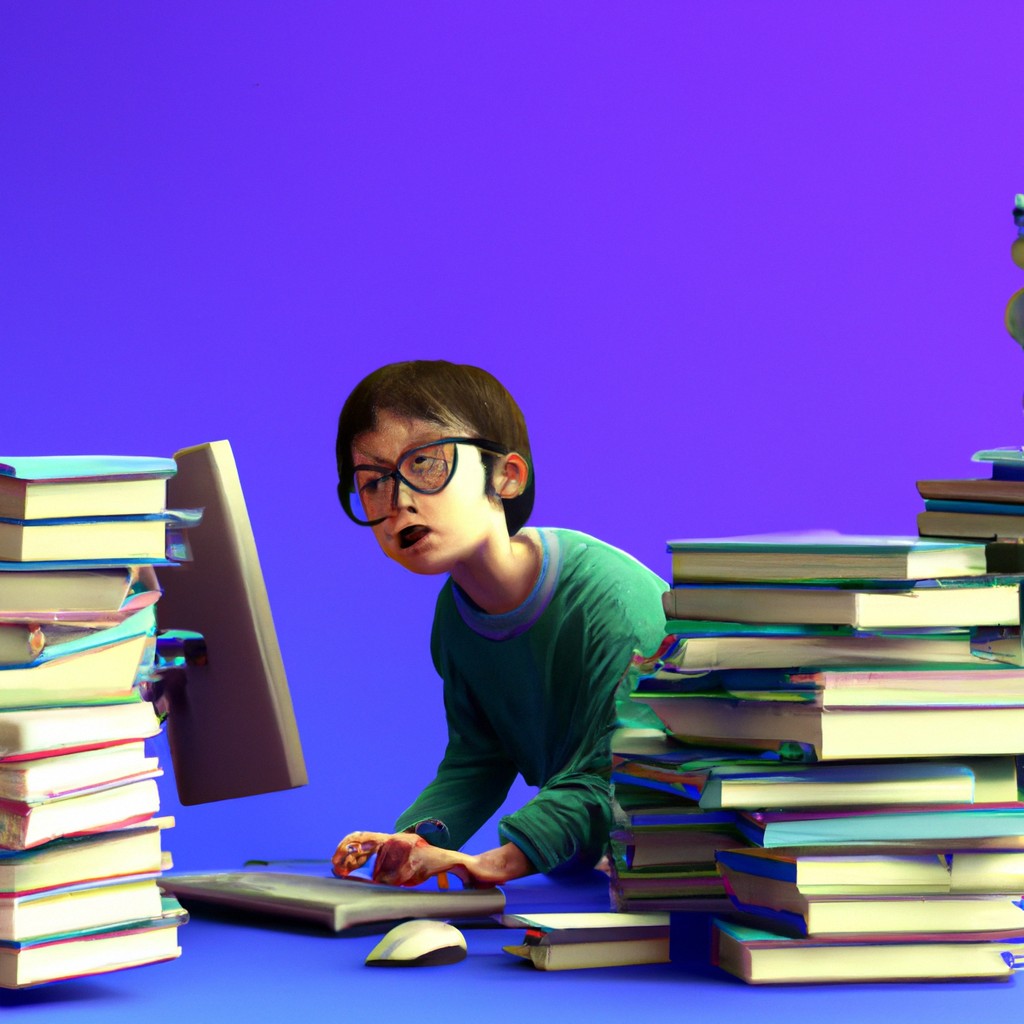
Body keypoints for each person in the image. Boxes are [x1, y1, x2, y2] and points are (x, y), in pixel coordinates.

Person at [331, 360, 667, 888]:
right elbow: (478, 760)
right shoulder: (456, 616)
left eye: (426, 462)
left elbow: (619, 770)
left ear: (506, 475)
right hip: (592, 863)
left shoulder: (614, 601)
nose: (397, 502)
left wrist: (490, 864)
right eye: (372, 482)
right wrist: (415, 840)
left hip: (688, 853)